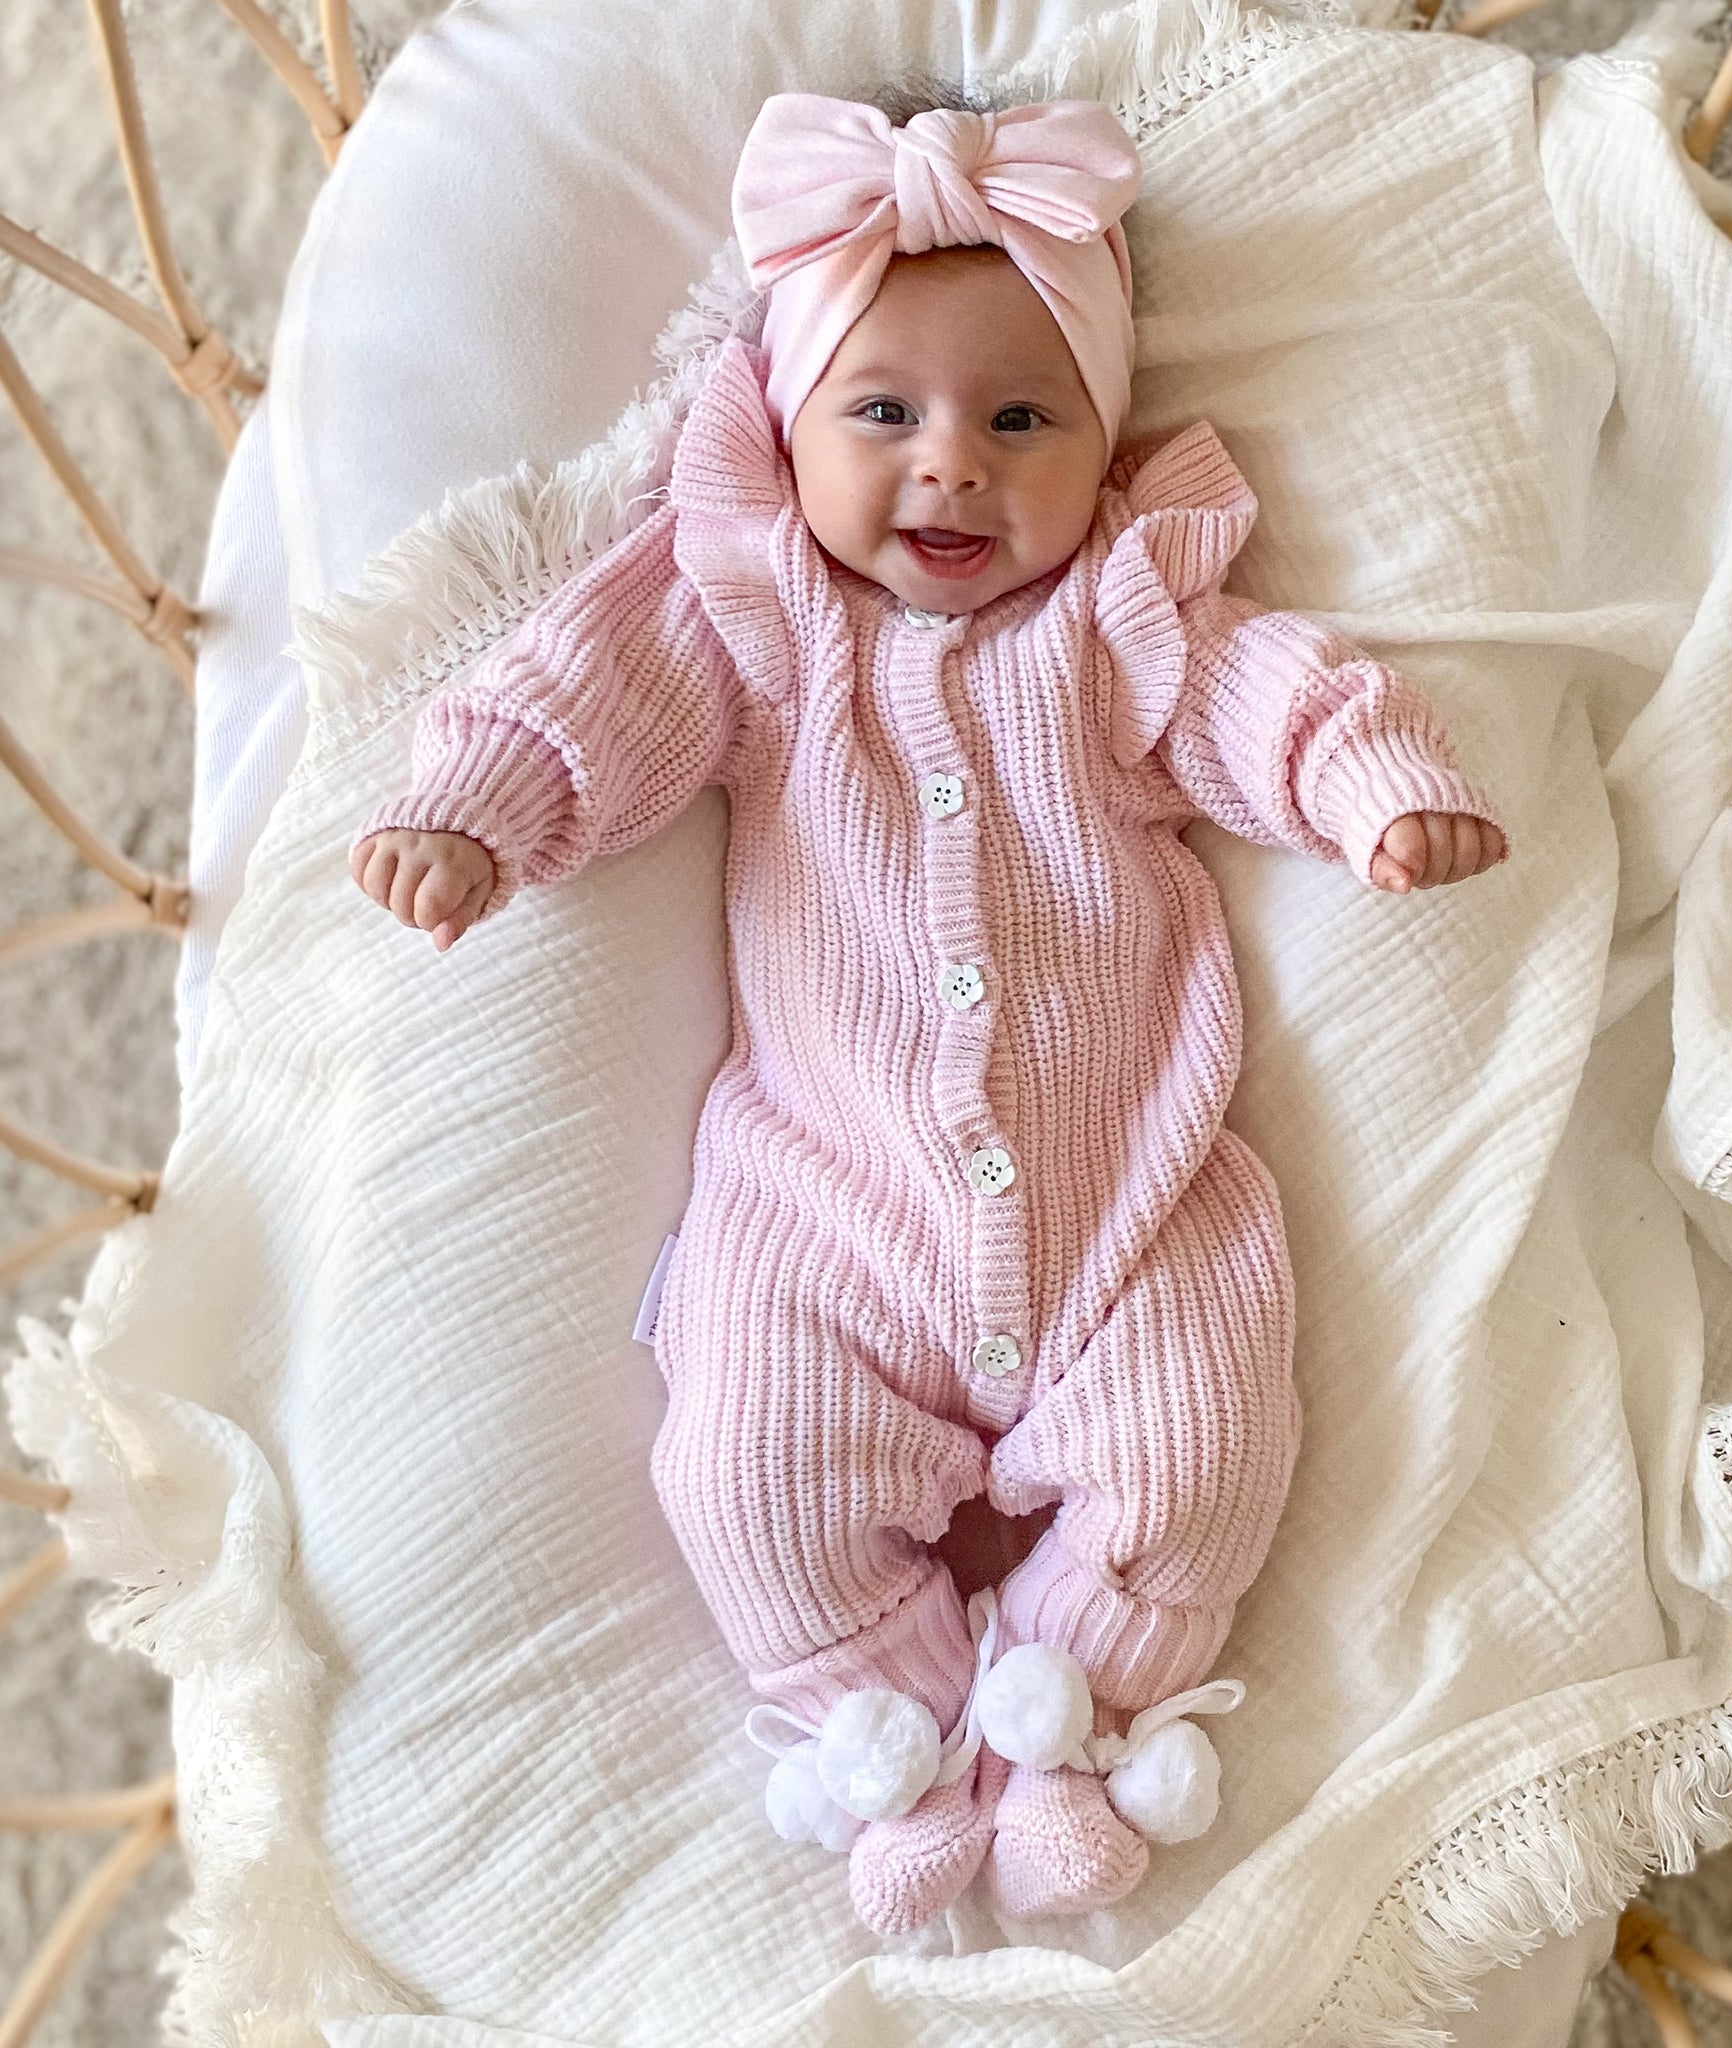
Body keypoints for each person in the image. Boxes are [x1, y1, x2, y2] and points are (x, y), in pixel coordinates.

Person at [350, 89, 1506, 1937]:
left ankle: (1071, 1717)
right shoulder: (761, 627)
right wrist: (482, 807)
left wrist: (1370, 787)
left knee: (1210, 1442)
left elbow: (1272, 697)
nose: (950, 466)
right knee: (743, 1470)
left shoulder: (1122, 627)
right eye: (882, 414)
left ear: (1105, 445)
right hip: (826, 1221)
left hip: (1126, 1218)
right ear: (793, 433)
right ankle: (883, 1727)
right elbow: (595, 684)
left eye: (1021, 418)